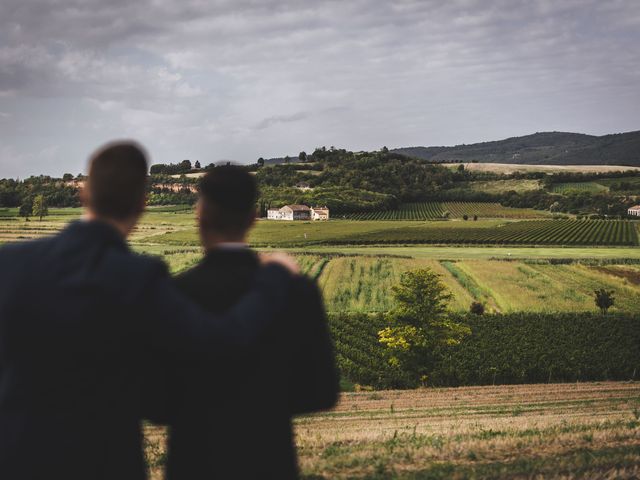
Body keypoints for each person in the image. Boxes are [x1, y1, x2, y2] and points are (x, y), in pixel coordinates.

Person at [0, 142, 297, 480]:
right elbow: (221, 341)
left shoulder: (10, 264)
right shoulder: (139, 277)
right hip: (104, 464)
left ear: (83, 194)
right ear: (142, 204)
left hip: (14, 459)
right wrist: (273, 277)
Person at [163, 166, 339, 479]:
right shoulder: (298, 292)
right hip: (269, 462)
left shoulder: (174, 294)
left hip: (193, 464)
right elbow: (322, 392)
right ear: (253, 217)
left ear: (200, 215)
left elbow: (154, 400)